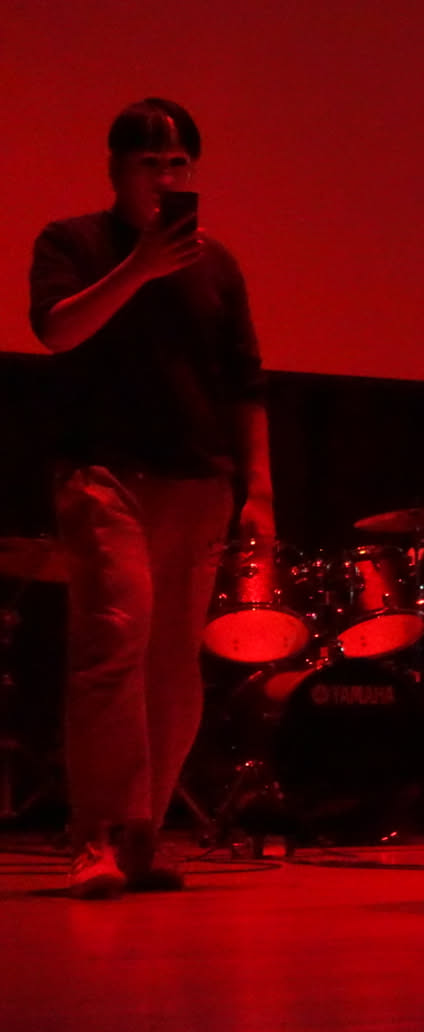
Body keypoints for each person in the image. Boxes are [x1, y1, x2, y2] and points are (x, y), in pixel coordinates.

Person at [29, 98, 275, 898]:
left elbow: (244, 385)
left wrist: (259, 490)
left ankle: (142, 834)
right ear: (115, 168)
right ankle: (95, 835)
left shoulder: (218, 266)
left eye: (178, 165)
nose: (164, 179)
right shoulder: (72, 243)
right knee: (115, 637)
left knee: (173, 666)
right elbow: (57, 331)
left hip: (198, 481)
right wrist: (138, 268)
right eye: (148, 164)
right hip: (104, 476)